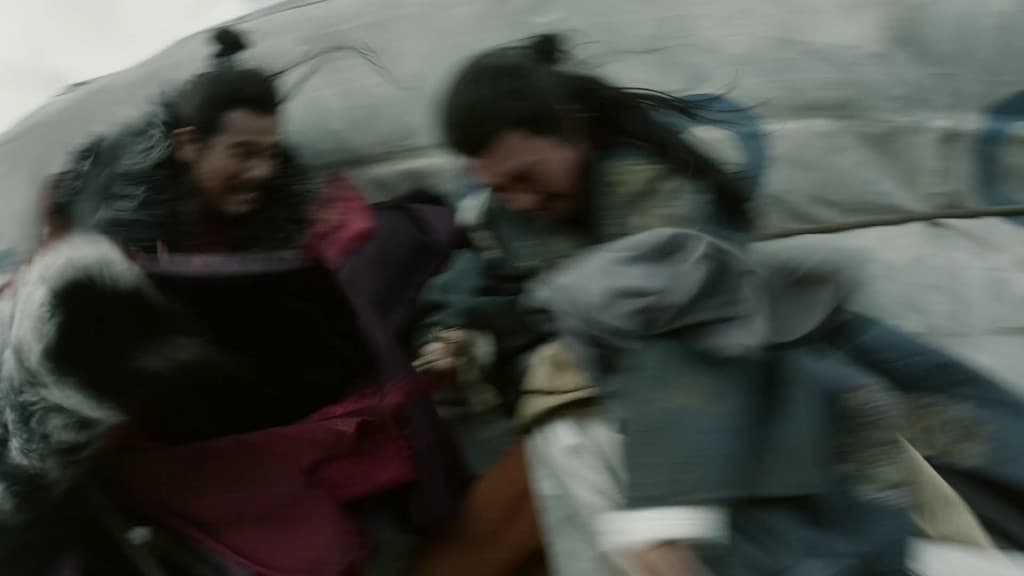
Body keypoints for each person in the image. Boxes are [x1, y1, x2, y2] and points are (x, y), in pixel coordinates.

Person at [415, 35, 1021, 576]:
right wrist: (463, 335)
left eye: (526, 177)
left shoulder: (658, 204)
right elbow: (490, 280)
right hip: (592, 414)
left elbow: (675, 324)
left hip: (725, 380)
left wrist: (665, 512)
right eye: (499, 188)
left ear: (571, 131)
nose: (518, 201)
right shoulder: (510, 217)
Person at [48, 28, 371, 258]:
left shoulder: (287, 199)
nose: (262, 171)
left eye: (270, 154)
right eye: (243, 153)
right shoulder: (127, 214)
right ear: (188, 145)